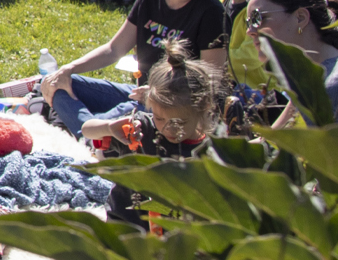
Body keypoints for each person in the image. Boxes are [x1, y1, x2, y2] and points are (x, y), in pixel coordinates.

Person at [40, 0, 232, 137]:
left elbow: (209, 82)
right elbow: (114, 49)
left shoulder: (210, 12)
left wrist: (155, 95)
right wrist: (68, 69)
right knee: (58, 83)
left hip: (171, 109)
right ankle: (95, 133)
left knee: (117, 116)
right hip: (137, 96)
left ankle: (93, 132)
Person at [82, 42, 229, 229]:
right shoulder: (142, 130)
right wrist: (110, 127)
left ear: (204, 108)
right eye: (159, 118)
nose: (168, 129)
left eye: (180, 122)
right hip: (125, 227)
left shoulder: (209, 153)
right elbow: (87, 129)